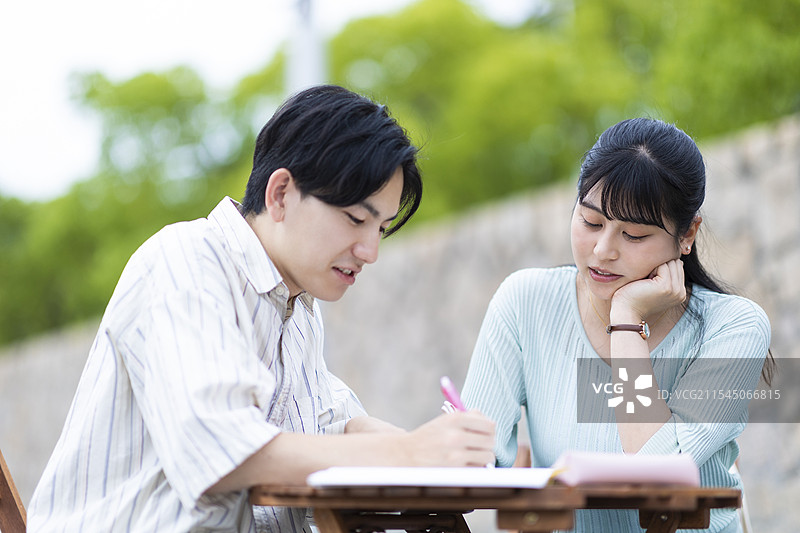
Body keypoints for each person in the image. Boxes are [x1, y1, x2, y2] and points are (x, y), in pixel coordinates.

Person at [28, 85, 496, 533]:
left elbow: (332, 427)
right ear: (280, 194)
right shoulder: (186, 261)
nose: (370, 251)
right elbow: (222, 450)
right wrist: (409, 454)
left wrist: (437, 451)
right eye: (356, 219)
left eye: (382, 228)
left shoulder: (296, 306)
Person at [461, 118, 773, 533]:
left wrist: (626, 323)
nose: (603, 250)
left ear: (687, 234)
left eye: (635, 235)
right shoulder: (525, 302)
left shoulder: (733, 328)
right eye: (590, 223)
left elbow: (653, 470)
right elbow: (473, 458)